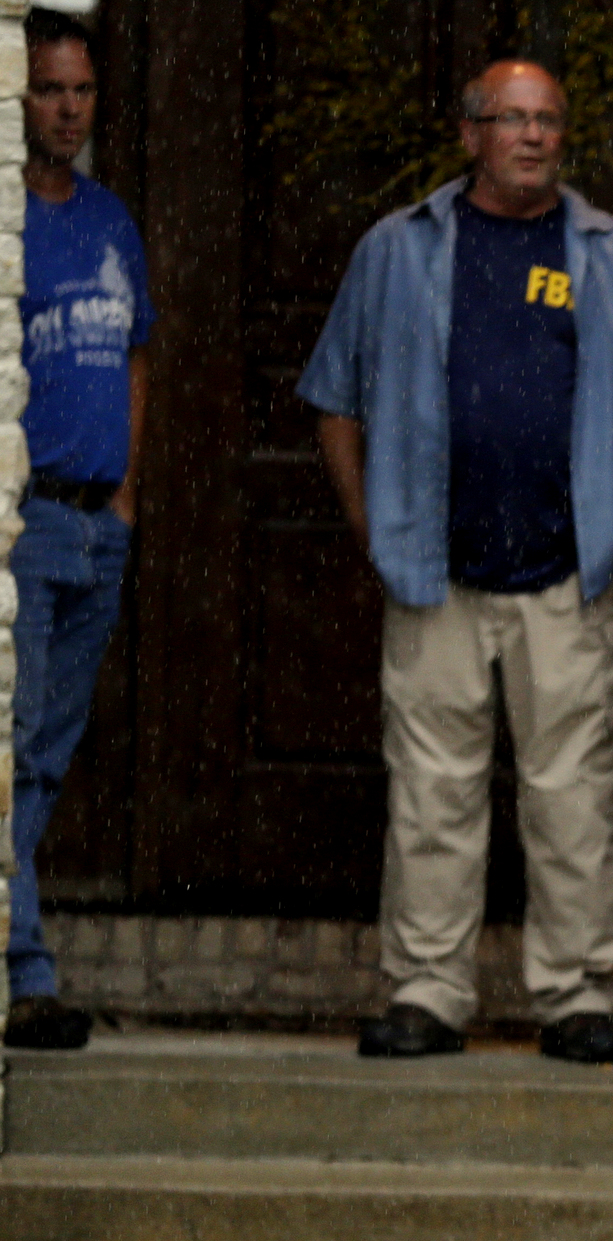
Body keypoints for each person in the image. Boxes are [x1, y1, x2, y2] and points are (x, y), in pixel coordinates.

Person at [299, 60, 613, 1062]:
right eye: (510, 119)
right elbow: (334, 400)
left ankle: (575, 995)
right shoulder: (396, 252)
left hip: (570, 580)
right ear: (469, 132)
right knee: (431, 795)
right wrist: (375, 528)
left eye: (548, 121)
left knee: (572, 798)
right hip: (435, 578)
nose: (531, 136)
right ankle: (428, 991)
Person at [7, 8, 155, 1050]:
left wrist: (129, 493)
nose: (68, 108)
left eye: (81, 91)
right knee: (12, 750)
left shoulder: (109, 220)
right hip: (29, 520)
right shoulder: (7, 218)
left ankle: (21, 956)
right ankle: (23, 967)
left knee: (49, 752)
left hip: (96, 522)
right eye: (50, 89)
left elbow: (138, 352)